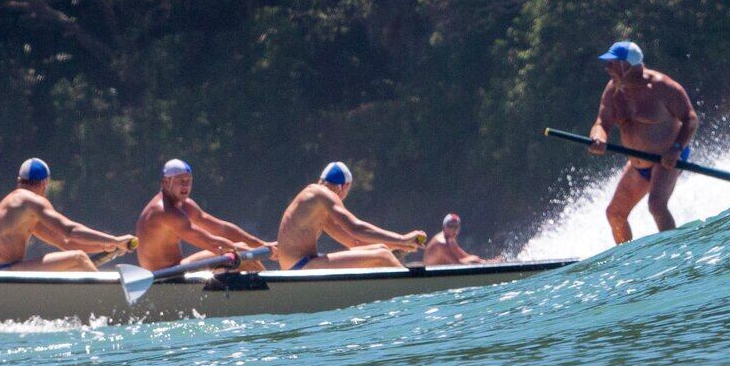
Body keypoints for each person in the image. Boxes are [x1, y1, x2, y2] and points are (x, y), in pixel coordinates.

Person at [587, 40, 699, 243]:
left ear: (627, 66)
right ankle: (627, 259)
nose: (608, 68)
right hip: (638, 164)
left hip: (667, 159)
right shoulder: (613, 90)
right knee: (615, 213)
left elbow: (690, 119)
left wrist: (675, 149)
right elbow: (601, 123)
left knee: (656, 205)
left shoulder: (662, 87)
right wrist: (598, 137)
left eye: (612, 63)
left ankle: (675, 251)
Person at [0, 158, 136, 271]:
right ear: (44, 183)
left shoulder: (19, 206)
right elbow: (69, 231)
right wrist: (115, 239)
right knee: (78, 258)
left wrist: (104, 246)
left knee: (74, 262)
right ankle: (109, 301)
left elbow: (65, 243)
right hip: (4, 271)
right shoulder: (33, 201)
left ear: (19, 180)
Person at [274, 163, 426, 269]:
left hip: (301, 263)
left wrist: (399, 245)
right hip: (300, 267)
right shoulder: (323, 194)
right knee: (383, 256)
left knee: (381, 248)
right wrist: (402, 238)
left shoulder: (315, 202)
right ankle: (415, 295)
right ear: (344, 187)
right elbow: (355, 228)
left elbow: (354, 242)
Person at [135, 159, 271, 272]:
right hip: (162, 276)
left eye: (189, 180)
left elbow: (221, 229)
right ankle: (275, 295)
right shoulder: (164, 212)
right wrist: (254, 251)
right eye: (180, 181)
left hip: (177, 267)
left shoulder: (185, 205)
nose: (185, 185)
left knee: (241, 249)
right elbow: (212, 243)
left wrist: (262, 245)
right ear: (165, 183)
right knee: (242, 255)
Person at [421, 213, 486, 265]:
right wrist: (474, 259)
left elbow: (465, 256)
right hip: (432, 278)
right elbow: (458, 264)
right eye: (450, 226)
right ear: (443, 227)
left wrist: (486, 262)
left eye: (456, 226)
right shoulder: (441, 242)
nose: (453, 229)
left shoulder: (450, 239)